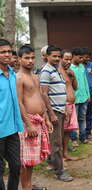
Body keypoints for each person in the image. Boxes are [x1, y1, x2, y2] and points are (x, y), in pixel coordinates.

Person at [16, 45, 53, 190]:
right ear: (19, 59)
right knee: (25, 160)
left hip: (39, 120)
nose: (30, 61)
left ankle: (29, 186)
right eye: (26, 58)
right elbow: (19, 102)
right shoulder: (19, 78)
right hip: (27, 123)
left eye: (32, 57)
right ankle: (26, 187)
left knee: (32, 159)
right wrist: (28, 124)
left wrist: (47, 118)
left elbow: (40, 98)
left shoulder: (35, 76)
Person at [40, 45, 73, 182]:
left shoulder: (57, 69)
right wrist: (51, 114)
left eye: (58, 56)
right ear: (47, 57)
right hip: (54, 112)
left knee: (55, 141)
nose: (57, 58)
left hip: (60, 110)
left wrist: (65, 107)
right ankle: (60, 172)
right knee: (56, 143)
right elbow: (43, 94)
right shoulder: (46, 71)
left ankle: (53, 164)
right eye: (54, 56)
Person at [0, 39, 24, 190]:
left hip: (13, 129)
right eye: (3, 52)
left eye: (9, 51)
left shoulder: (13, 74)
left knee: (16, 166)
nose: (7, 54)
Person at [60, 50, 78, 160]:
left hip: (71, 104)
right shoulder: (58, 71)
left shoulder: (70, 71)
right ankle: (58, 157)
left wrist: (73, 76)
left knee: (67, 131)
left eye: (70, 59)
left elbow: (75, 87)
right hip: (63, 105)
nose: (68, 61)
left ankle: (65, 153)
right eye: (66, 59)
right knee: (60, 132)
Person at [70, 48, 90, 146]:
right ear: (73, 56)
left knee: (82, 118)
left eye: (82, 57)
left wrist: (88, 94)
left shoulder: (82, 67)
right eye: (80, 57)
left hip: (84, 97)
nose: (82, 59)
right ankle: (73, 139)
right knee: (73, 119)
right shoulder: (69, 67)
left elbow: (85, 81)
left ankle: (83, 137)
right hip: (74, 98)